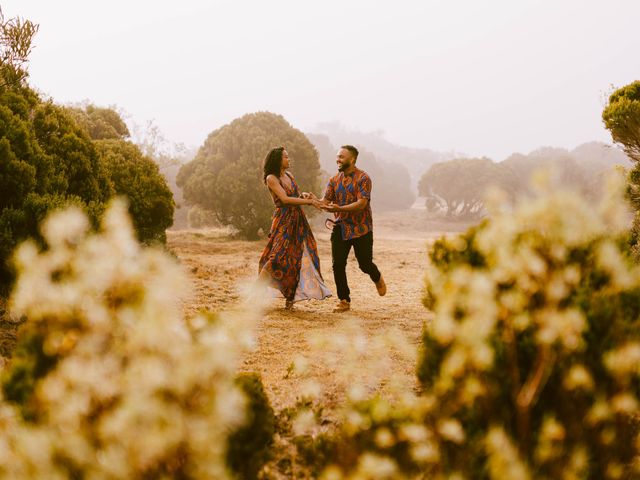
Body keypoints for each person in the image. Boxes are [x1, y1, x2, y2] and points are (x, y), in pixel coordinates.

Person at [258, 146, 331, 309]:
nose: (289, 159)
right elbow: (284, 199)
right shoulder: (271, 178)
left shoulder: (289, 175)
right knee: (276, 257)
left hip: (297, 219)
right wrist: (309, 202)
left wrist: (303, 196)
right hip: (283, 220)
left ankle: (290, 299)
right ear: (278, 160)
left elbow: (294, 197)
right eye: (286, 157)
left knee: (297, 257)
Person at [318, 145, 386, 313]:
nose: (338, 159)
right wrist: (312, 200)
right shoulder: (334, 180)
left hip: (362, 229)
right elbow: (325, 202)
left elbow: (361, 204)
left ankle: (376, 276)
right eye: (337, 156)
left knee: (364, 265)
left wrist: (339, 209)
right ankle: (344, 300)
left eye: (341, 157)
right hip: (340, 228)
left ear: (352, 159)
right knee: (338, 265)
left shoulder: (364, 178)